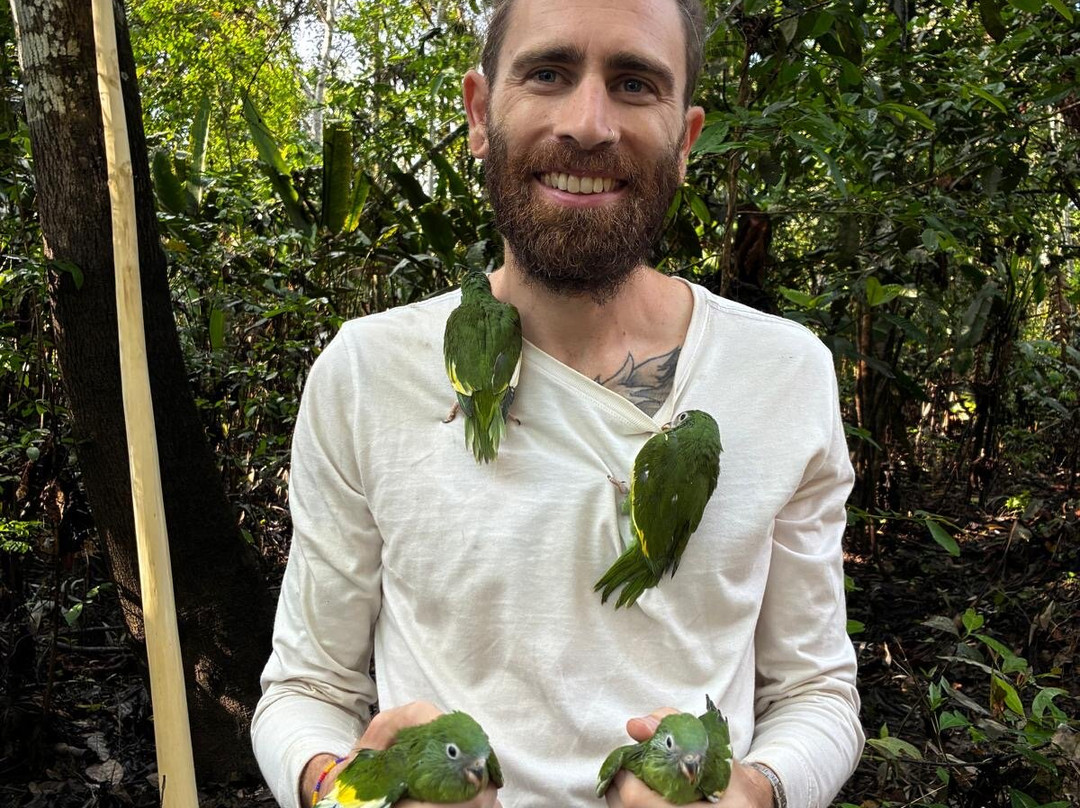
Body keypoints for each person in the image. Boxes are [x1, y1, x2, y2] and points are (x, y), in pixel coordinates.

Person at [250, 0, 864, 806]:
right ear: (480, 112)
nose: (588, 124)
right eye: (548, 73)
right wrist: (335, 789)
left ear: (685, 139)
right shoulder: (367, 371)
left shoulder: (785, 374)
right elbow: (307, 688)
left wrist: (758, 792)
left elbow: (816, 692)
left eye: (635, 82)